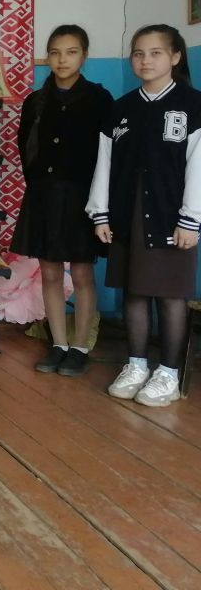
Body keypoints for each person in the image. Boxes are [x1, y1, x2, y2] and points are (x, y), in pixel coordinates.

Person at [88, 24, 201, 407]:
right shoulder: (121, 109)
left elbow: (198, 166)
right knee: (133, 291)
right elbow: (104, 164)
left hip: (172, 217)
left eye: (155, 53)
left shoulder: (193, 105)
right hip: (128, 214)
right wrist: (101, 214)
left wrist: (191, 219)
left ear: (175, 57)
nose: (145, 60)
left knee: (170, 295)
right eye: (138, 53)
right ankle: (136, 365)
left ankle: (167, 373)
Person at [12, 25, 113, 376]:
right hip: (44, 194)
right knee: (50, 271)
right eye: (55, 53)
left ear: (84, 55)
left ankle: (80, 346)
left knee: (82, 272)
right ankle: (58, 343)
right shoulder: (36, 101)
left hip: (83, 196)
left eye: (71, 52)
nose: (62, 60)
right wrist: (40, 186)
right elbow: (26, 148)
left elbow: (107, 153)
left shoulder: (99, 99)